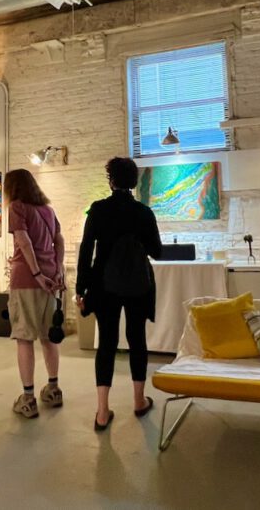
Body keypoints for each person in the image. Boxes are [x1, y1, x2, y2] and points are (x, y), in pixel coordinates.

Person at [76, 157, 162, 431]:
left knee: (107, 344)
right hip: (138, 284)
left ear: (110, 180)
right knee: (137, 339)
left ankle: (102, 411)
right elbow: (157, 251)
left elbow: (86, 250)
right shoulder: (144, 212)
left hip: (103, 284)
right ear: (133, 181)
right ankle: (138, 401)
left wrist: (81, 288)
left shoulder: (98, 210)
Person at [5, 169, 66, 419]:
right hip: (52, 278)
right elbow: (59, 239)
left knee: (24, 337)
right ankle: (53, 389)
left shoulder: (17, 208)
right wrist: (58, 269)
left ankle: (28, 398)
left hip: (28, 279)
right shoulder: (47, 210)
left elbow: (23, 240)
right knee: (49, 336)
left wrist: (37, 273)